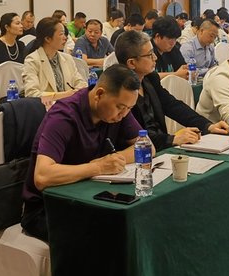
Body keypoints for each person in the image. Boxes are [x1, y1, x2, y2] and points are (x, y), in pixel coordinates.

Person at [20, 65, 145, 241]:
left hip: (91, 197)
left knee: (139, 220)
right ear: (99, 94)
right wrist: (99, 167)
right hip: (48, 209)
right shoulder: (63, 116)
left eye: (129, 109)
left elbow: (146, 147)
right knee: (110, 235)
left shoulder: (118, 110)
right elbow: (42, 176)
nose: (123, 114)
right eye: (120, 107)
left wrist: (113, 161)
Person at [115, 30, 228, 150]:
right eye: (149, 55)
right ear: (132, 63)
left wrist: (207, 126)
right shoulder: (119, 91)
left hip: (161, 145)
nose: (155, 58)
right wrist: (172, 139)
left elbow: (172, 106)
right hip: (139, 152)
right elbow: (134, 137)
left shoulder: (150, 78)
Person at [22, 17, 87, 100]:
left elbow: (81, 83)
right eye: (61, 34)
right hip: (47, 107)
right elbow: (31, 94)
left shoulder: (67, 58)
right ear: (47, 39)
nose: (65, 38)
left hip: (69, 104)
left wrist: (76, 92)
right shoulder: (32, 60)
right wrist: (65, 95)